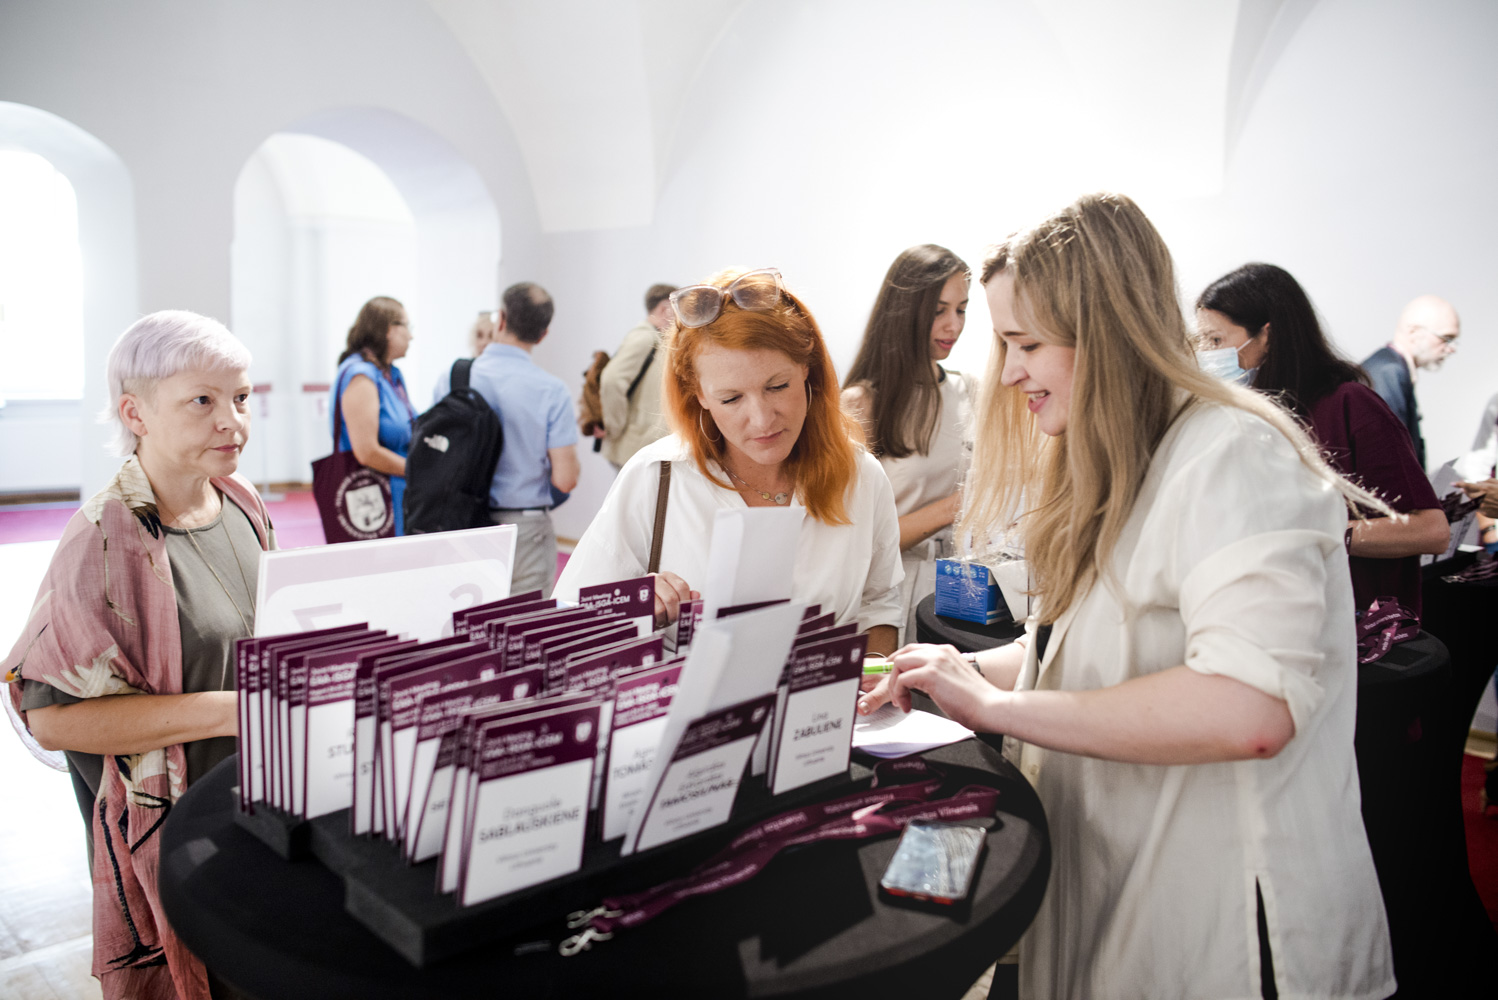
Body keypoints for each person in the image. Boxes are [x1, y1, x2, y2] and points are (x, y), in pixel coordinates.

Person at [861, 194, 1394, 999]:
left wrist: (1000, 709)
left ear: (1105, 332)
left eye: (1026, 344)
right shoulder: (1118, 459)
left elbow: (1249, 708)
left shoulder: (1233, 457)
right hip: (1123, 901)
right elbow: (1082, 651)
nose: (1010, 372)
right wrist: (959, 670)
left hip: (1232, 929)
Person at [4, 311, 273, 1000]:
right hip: (179, 832)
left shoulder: (241, 502)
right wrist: (232, 712)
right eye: (202, 400)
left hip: (255, 808)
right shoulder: (103, 540)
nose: (233, 422)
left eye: (241, 398)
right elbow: (52, 720)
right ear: (136, 413)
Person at [555, 266, 903, 654]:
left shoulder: (861, 477)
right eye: (731, 399)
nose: (762, 419)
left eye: (777, 386)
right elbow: (570, 621)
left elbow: (878, 605)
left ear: (807, 368)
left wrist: (872, 679)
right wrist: (633, 605)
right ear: (699, 394)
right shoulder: (657, 476)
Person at [1196, 263, 1447, 615]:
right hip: (1270, 611)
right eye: (1203, 341)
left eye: (1216, 340)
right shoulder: (1243, 416)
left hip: (1354, 622)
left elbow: (1431, 531)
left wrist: (1324, 533)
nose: (1208, 354)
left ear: (1268, 335)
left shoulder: (1350, 405)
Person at [842, 244, 975, 644]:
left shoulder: (971, 391)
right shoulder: (861, 403)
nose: (953, 325)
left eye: (962, 309)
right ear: (905, 311)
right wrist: (958, 505)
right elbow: (858, 542)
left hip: (963, 588)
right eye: (938, 311)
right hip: (892, 595)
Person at [433, 281, 579, 596]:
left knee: (462, 613)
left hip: (456, 521)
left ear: (501, 319)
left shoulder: (453, 378)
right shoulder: (552, 391)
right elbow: (565, 479)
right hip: (522, 527)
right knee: (524, 620)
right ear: (543, 334)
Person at [331, 296, 418, 535]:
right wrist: (419, 471)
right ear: (389, 329)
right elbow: (367, 451)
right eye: (407, 326)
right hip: (374, 501)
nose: (411, 336)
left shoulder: (391, 374)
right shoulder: (361, 376)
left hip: (397, 497)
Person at [1360, 295, 1462, 469]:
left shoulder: (1392, 368)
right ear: (1414, 333)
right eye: (1446, 338)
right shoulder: (1389, 372)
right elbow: (1389, 456)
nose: (1451, 349)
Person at [596, 283, 677, 469]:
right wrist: (613, 427)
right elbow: (612, 380)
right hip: (633, 448)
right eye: (677, 309)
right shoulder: (644, 337)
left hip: (640, 447)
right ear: (664, 308)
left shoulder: (655, 338)